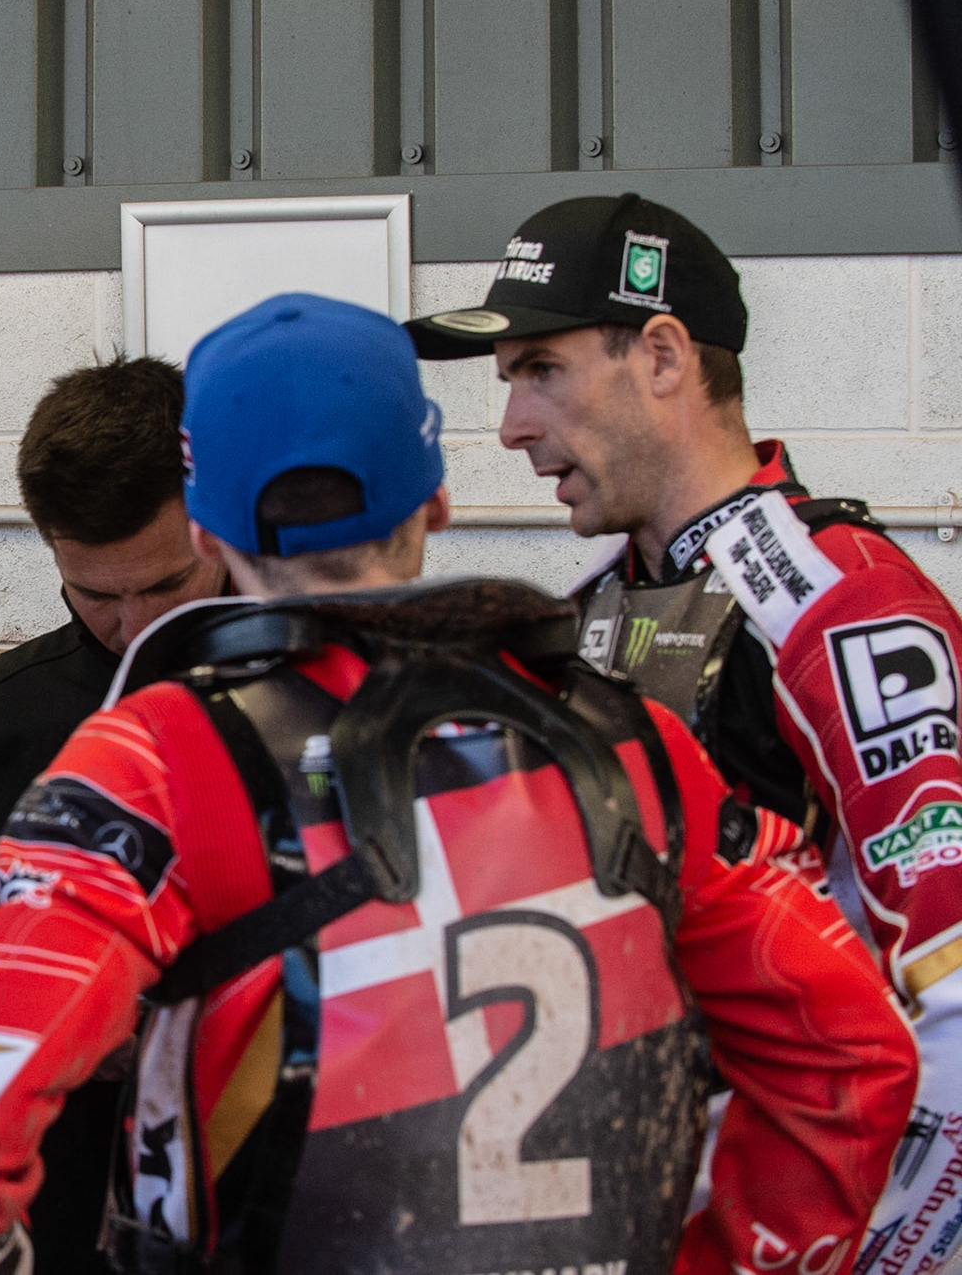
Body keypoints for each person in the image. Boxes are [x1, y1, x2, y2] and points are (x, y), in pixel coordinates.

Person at [0, 293, 916, 1275]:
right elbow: (852, 1052)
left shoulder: (155, 758)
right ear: (439, 501)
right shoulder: (639, 742)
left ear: (206, 529)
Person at [407, 193, 962, 1274]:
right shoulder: (596, 605)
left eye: (541, 370)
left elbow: (952, 995)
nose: (512, 425)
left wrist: (859, 1253)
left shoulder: (837, 602)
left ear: (662, 355)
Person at [0, 357, 224, 1275]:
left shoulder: (307, 696)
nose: (132, 625)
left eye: (163, 587)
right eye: (97, 594)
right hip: (63, 1187)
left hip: (254, 1182)